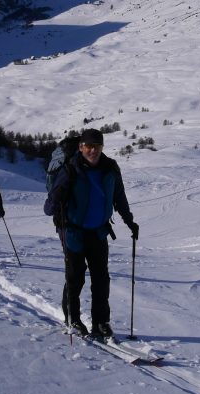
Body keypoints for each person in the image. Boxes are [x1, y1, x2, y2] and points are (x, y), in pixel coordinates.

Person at [44, 128, 139, 339]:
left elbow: (119, 197)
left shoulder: (110, 168)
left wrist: (129, 221)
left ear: (102, 148)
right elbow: (48, 208)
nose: (92, 150)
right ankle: (73, 319)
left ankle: (101, 322)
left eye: (97, 146)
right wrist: (56, 198)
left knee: (101, 279)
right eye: (88, 146)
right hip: (73, 233)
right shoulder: (70, 170)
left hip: (98, 232)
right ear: (80, 147)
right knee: (75, 278)